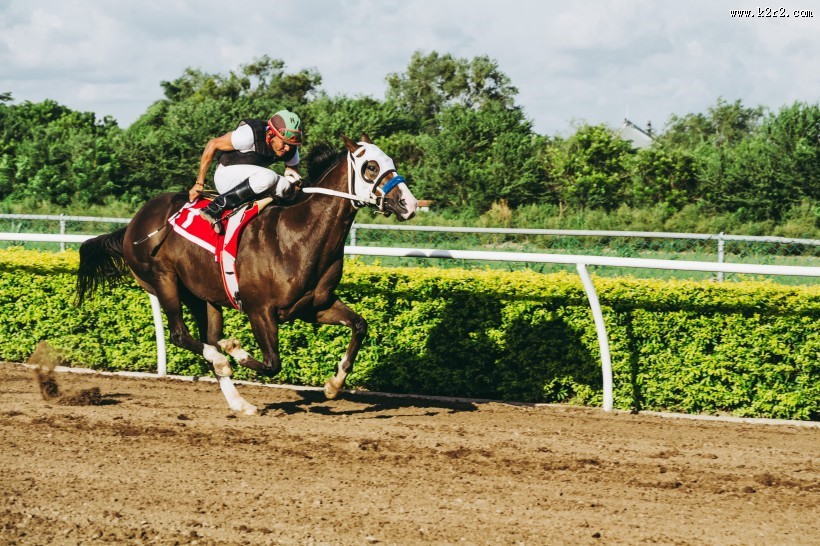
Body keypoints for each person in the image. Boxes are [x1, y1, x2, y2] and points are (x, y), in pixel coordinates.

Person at [189, 110, 304, 234]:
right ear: (270, 134)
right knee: (269, 176)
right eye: (284, 142)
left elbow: (292, 172)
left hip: (251, 180)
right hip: (225, 176)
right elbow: (212, 144)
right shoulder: (248, 135)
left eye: (291, 145)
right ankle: (214, 208)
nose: (288, 148)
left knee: (285, 186)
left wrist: (295, 183)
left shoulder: (290, 149)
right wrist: (199, 183)